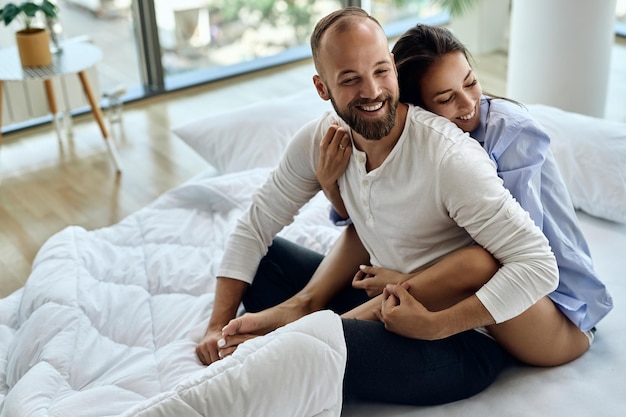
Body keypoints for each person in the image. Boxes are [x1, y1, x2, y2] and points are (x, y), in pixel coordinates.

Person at [196, 7, 559, 405]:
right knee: (264, 263)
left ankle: (295, 336)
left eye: (381, 71)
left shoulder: (449, 157)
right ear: (323, 88)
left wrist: (436, 325)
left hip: (458, 338)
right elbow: (256, 224)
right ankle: (302, 323)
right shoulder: (322, 140)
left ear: (394, 70)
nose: (371, 91)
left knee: (314, 348)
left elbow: (537, 264)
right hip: (382, 301)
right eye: (350, 79)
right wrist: (217, 326)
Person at [320, 23, 613, 366]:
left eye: (471, 82)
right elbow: (375, 218)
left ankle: (320, 336)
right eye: (445, 99)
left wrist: (407, 281)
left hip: (556, 308)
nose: (470, 103)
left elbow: (518, 255)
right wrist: (330, 185)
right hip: (483, 300)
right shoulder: (417, 143)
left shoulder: (510, 134)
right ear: (415, 109)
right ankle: (313, 319)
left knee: (474, 261)